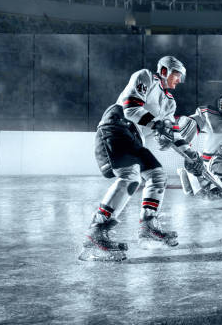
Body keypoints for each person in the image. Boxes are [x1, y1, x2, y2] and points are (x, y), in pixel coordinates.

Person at [79, 56, 204, 261]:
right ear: (164, 71)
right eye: (176, 75)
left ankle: (148, 226)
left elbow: (171, 133)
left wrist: (191, 154)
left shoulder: (170, 103)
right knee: (131, 177)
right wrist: (157, 125)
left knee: (157, 176)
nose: (179, 80)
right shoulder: (145, 77)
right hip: (116, 125)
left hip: (135, 137)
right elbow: (131, 108)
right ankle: (97, 230)